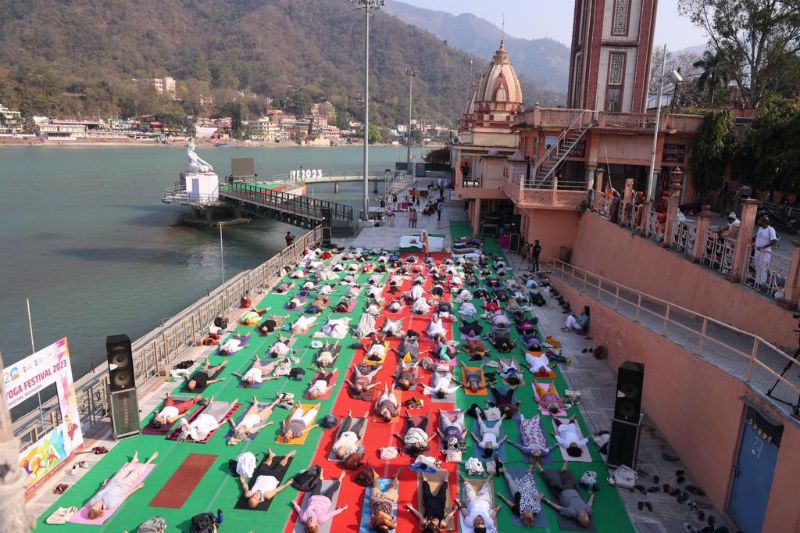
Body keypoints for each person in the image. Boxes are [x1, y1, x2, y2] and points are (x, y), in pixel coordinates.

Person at [88, 451, 158, 519]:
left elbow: (100, 492)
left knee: (123, 471)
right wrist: (137, 488)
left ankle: (134, 461)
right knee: (135, 472)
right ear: (99, 510)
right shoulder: (110, 504)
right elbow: (124, 496)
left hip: (112, 482)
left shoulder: (92, 501)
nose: (95, 504)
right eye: (95, 506)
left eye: (93, 506)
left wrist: (104, 485)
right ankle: (149, 461)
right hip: (123, 485)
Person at [292, 468, 348, 533]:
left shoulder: (304, 518)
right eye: (312, 521)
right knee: (332, 490)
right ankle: (340, 479)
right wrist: (342, 509)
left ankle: (321, 477)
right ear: (316, 525)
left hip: (314, 498)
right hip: (325, 500)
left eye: (309, 521)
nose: (310, 519)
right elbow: (332, 514)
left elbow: (299, 511)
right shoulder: (322, 519)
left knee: (317, 486)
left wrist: (295, 504)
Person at [540, 462, 594, 528]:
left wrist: (547, 500)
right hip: (572, 488)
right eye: (585, 515)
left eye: (582, 516)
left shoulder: (571, 513)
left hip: (561, 490)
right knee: (567, 477)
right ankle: (564, 468)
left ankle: (541, 470)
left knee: (551, 482)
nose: (583, 513)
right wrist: (592, 496)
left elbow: (558, 508)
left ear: (579, 519)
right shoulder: (588, 511)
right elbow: (589, 504)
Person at [367, 468, 400, 533]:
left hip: (376, 500)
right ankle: (396, 476)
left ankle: (375, 475)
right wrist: (391, 524)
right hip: (389, 500)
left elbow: (380, 513)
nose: (385, 522)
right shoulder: (391, 524)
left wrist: (386, 521)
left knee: (375, 486)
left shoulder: (372, 524)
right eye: (387, 525)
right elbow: (389, 522)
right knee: (393, 487)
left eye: (383, 524)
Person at [754, 215, 778, 287]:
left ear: (764, 222)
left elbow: (774, 241)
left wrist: (763, 247)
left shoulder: (770, 229)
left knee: (763, 268)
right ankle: (757, 282)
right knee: (757, 267)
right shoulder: (760, 228)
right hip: (758, 251)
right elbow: (758, 237)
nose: (758, 221)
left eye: (760, 220)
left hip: (765, 253)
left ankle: (761, 284)